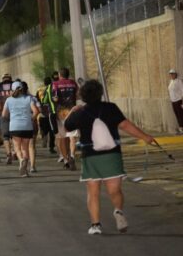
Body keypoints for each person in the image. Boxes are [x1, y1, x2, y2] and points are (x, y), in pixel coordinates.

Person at [64, 80, 155, 235]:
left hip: (90, 157)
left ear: (83, 96)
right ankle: (118, 211)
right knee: (115, 190)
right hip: (112, 155)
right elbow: (125, 125)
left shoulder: (80, 112)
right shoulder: (111, 108)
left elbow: (67, 126)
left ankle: (95, 225)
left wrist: (73, 110)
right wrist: (145, 137)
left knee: (93, 193)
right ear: (100, 93)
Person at [2, 81, 40, 177]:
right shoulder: (28, 98)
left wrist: (10, 119)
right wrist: (31, 119)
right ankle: (24, 169)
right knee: (25, 148)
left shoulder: (9, 100)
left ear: (12, 89)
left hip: (15, 127)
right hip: (27, 126)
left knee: (17, 147)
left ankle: (21, 160)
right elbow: (36, 111)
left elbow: (4, 115)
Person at [53, 67, 80, 170]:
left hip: (61, 113)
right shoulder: (73, 83)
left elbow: (55, 98)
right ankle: (72, 155)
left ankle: (66, 160)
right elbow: (78, 96)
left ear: (60, 75)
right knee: (72, 137)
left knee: (62, 137)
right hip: (72, 111)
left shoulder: (55, 84)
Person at [0, 73, 14, 164]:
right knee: (14, 135)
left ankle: (8, 154)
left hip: (3, 114)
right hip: (15, 114)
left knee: (5, 136)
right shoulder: (15, 86)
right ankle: (14, 152)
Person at [37, 77, 57, 154]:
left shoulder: (39, 90)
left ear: (44, 83)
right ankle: (51, 147)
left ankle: (44, 136)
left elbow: (38, 100)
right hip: (51, 112)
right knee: (52, 131)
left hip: (43, 113)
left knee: (44, 128)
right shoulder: (52, 89)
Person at [167, 70, 183, 134]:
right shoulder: (171, 81)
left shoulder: (179, 81)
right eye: (170, 74)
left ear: (175, 74)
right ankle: (180, 127)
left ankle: (181, 128)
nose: (172, 75)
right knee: (177, 115)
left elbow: (182, 91)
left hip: (178, 100)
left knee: (181, 115)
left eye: (173, 74)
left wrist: (182, 102)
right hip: (173, 101)